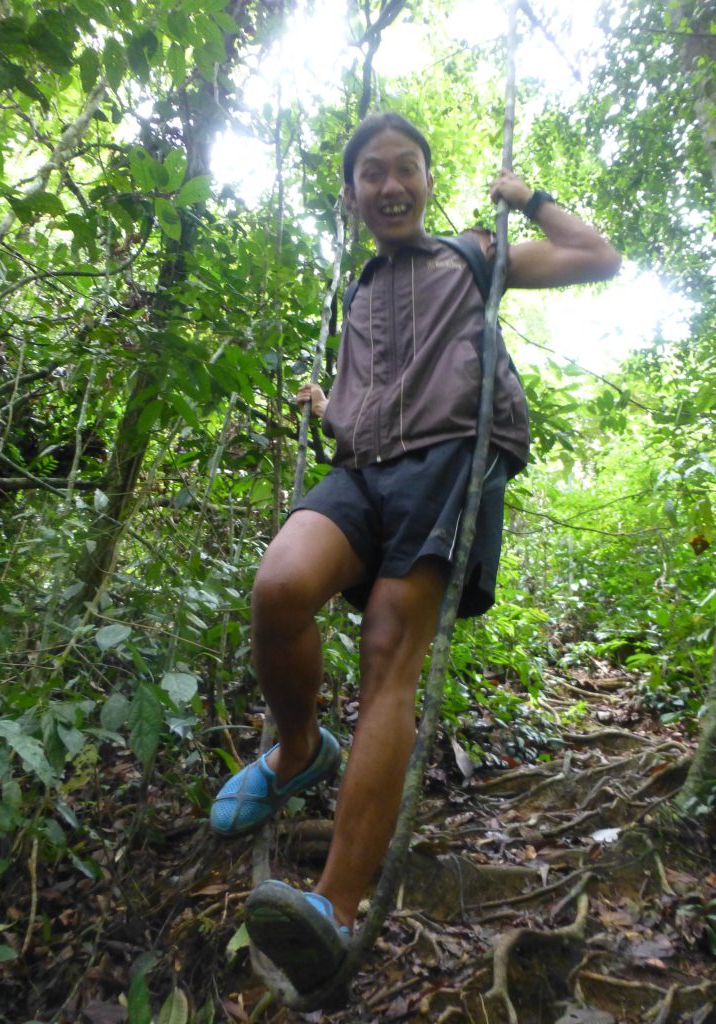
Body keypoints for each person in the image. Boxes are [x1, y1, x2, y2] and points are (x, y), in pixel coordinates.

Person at [210, 112, 621, 994]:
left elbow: (599, 257)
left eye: (406, 170)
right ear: (353, 193)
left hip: (447, 462)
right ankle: (297, 751)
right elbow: (372, 399)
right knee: (279, 588)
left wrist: (531, 198)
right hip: (360, 472)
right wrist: (329, 410)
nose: (390, 186)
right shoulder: (355, 292)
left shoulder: (474, 255)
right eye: (371, 174)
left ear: (428, 181)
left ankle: (334, 905)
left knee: (389, 653)